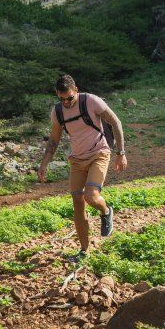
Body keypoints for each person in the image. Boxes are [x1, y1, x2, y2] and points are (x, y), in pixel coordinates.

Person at [37, 74, 127, 261]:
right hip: (77, 160)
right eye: (62, 99)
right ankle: (84, 250)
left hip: (99, 153)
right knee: (78, 202)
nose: (67, 103)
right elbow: (54, 139)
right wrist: (44, 163)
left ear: (76, 90)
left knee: (91, 196)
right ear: (57, 95)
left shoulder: (90, 101)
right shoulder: (58, 111)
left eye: (70, 98)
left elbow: (115, 122)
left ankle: (106, 211)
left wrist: (121, 153)